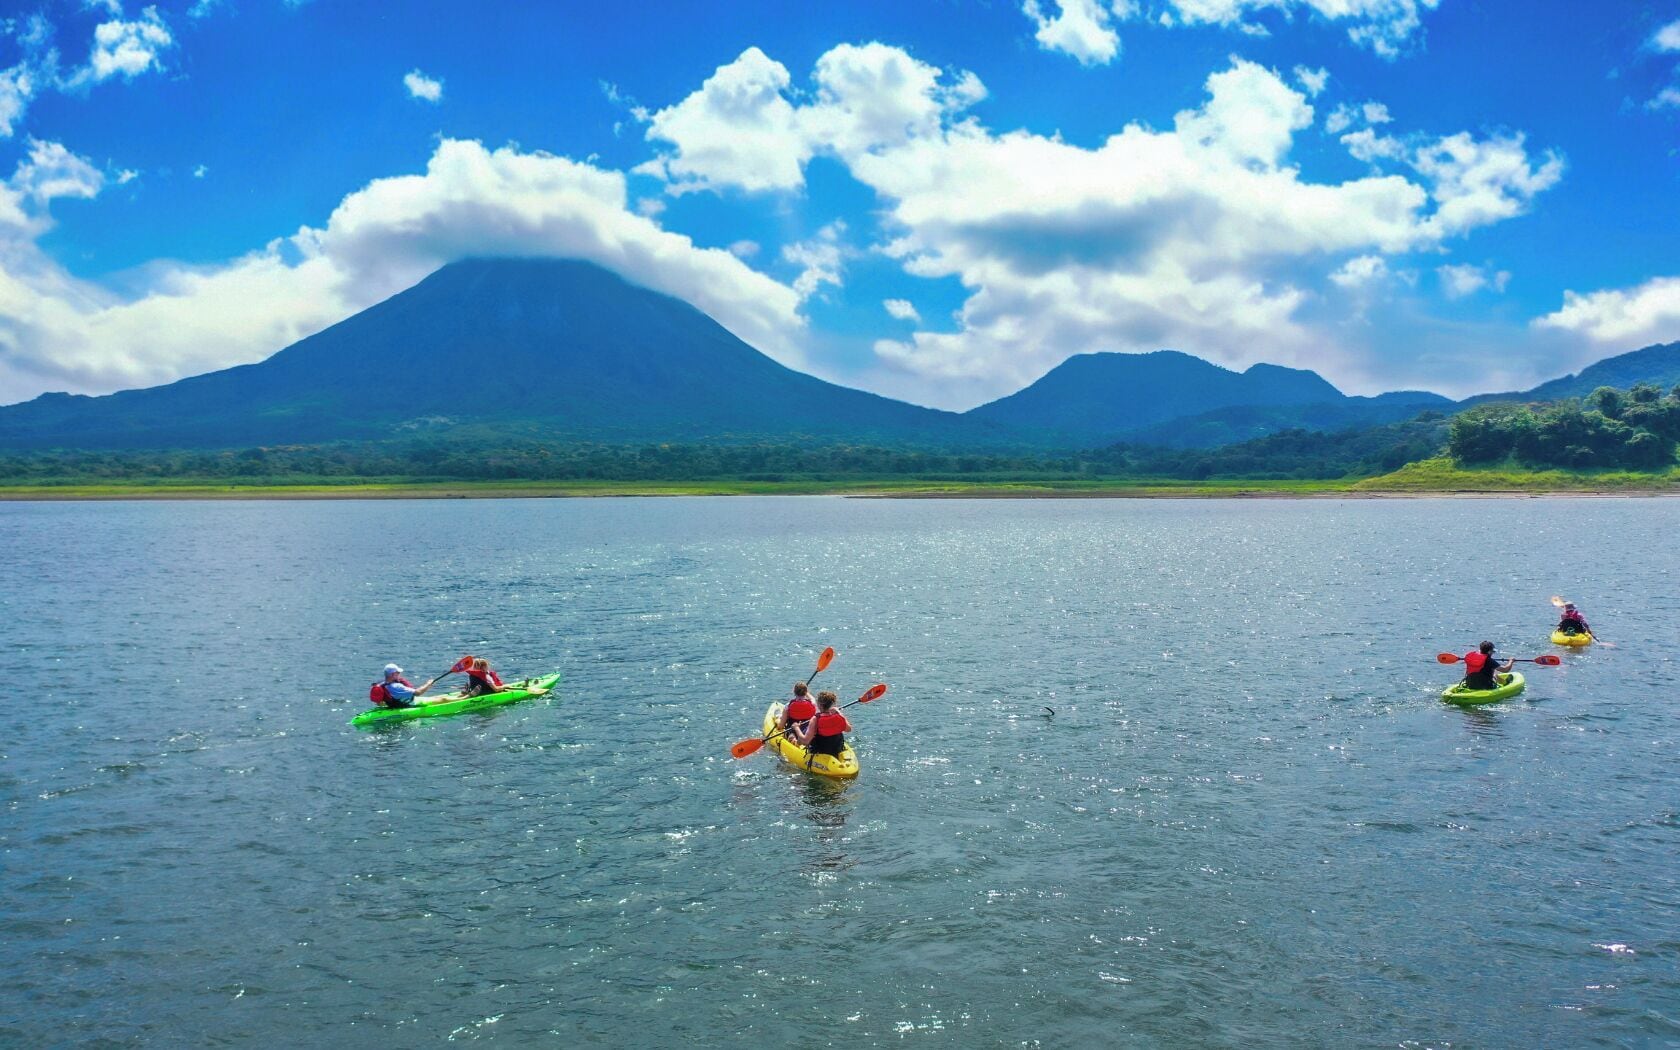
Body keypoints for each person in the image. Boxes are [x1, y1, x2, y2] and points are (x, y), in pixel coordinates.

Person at [795, 690, 851, 757]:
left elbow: (805, 741)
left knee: (802, 733)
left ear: (820, 705)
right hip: (837, 750)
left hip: (820, 753)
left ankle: (795, 742)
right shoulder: (839, 716)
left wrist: (796, 728)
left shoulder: (815, 719)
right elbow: (849, 729)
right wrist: (839, 712)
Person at [372, 663, 439, 708]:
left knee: (435, 697)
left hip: (393, 705)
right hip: (411, 703)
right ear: (392, 674)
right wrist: (428, 684)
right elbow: (418, 693)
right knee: (443, 699)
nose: (399, 674)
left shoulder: (381, 684)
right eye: (398, 673)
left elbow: (379, 702)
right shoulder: (396, 686)